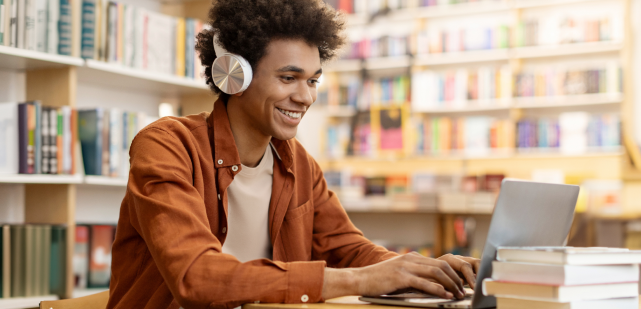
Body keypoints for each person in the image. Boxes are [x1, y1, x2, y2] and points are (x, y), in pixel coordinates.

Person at [106, 0, 479, 308]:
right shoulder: (167, 145)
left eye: (313, 80)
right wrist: (363, 278)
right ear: (234, 76)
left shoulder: (297, 162)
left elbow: (348, 250)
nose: (306, 97)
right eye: (288, 78)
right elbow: (196, 277)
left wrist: (422, 270)